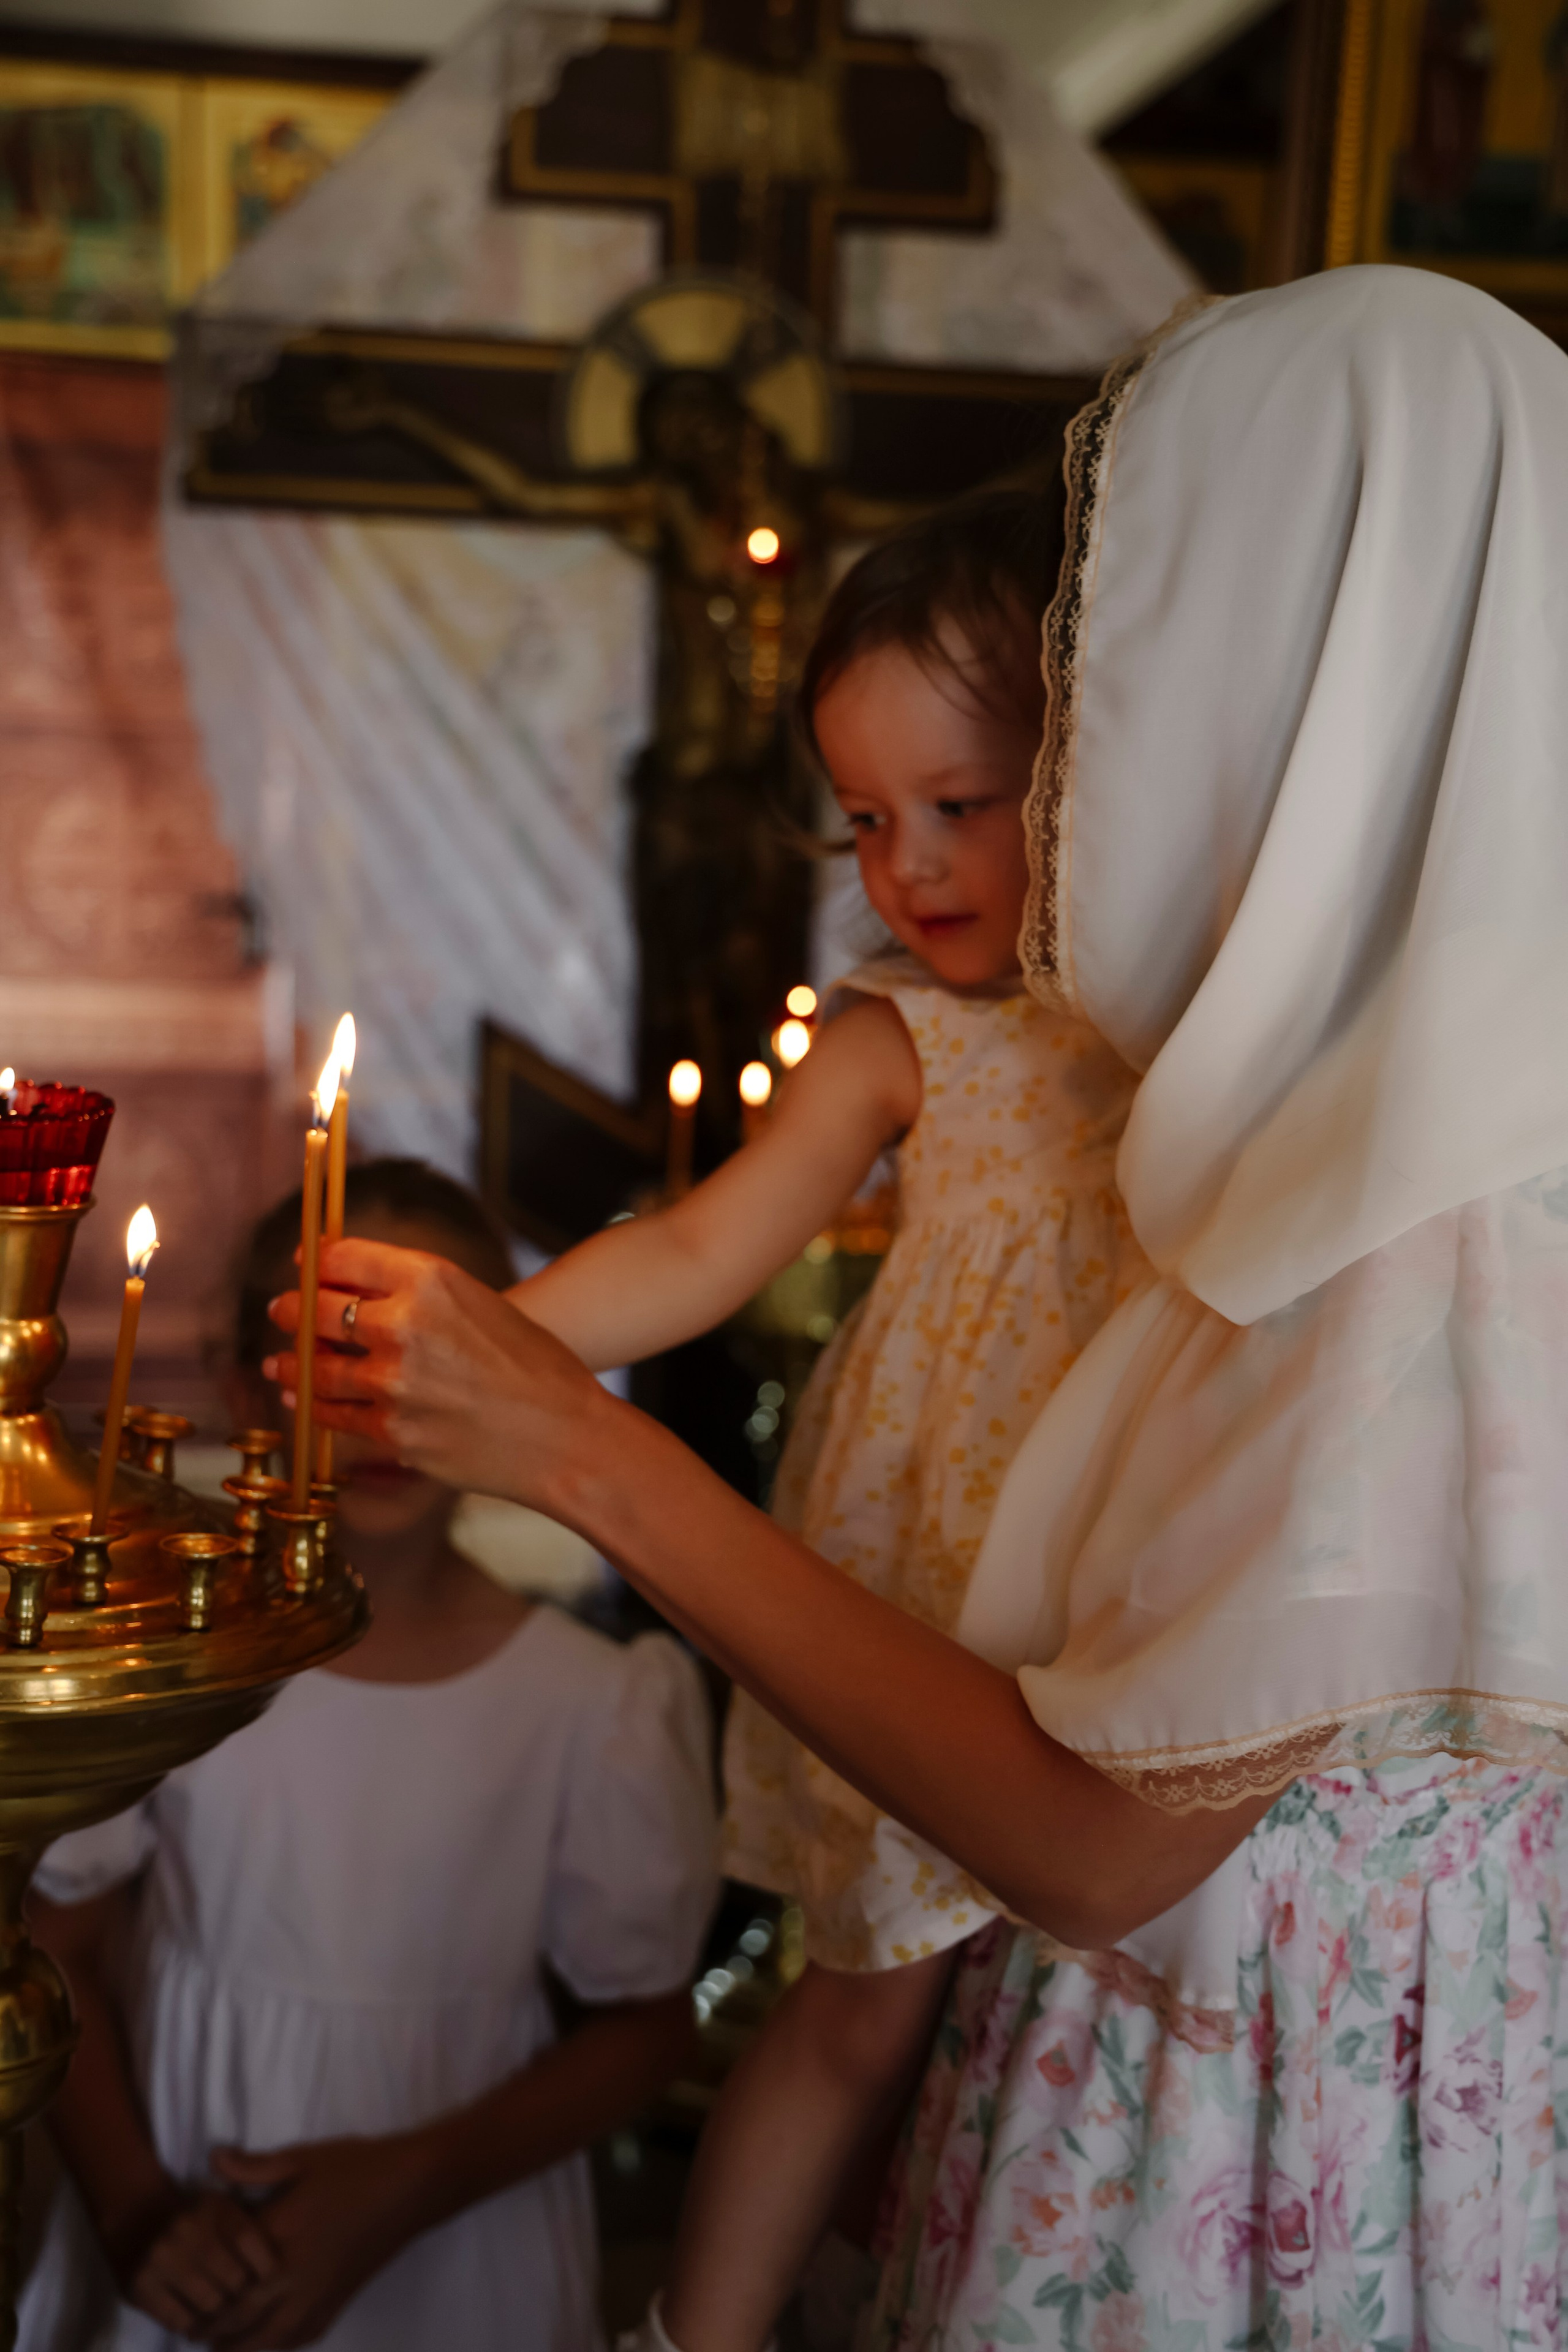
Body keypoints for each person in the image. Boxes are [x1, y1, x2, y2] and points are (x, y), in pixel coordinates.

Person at [274, 265, 1568, 2345]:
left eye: (1133, 665)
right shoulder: (1313, 1110)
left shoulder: (1408, 1212)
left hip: (1268, 2166)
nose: (1083, 769)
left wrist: (571, 1442)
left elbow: (1097, 1844)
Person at [491, 493, 1143, 2352]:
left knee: (1076, 2004)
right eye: (863, 820)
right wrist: (487, 1347)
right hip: (921, 1574)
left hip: (1118, 1567)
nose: (904, 866)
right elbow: (700, 1249)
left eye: (956, 804)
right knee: (864, 1997)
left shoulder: (1176, 1023)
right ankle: (696, 2333)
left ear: (1091, 769)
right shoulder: (895, 1034)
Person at [22, 1160, 717, 2352]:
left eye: (425, 1365)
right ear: (246, 1385)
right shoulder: (184, 1662)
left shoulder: (591, 1703)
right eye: (336, 1362)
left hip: (461, 2256)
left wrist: (407, 2183)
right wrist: (135, 2206)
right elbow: (58, 1941)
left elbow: (645, 2029)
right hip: (186, 2206)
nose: (383, 1412)